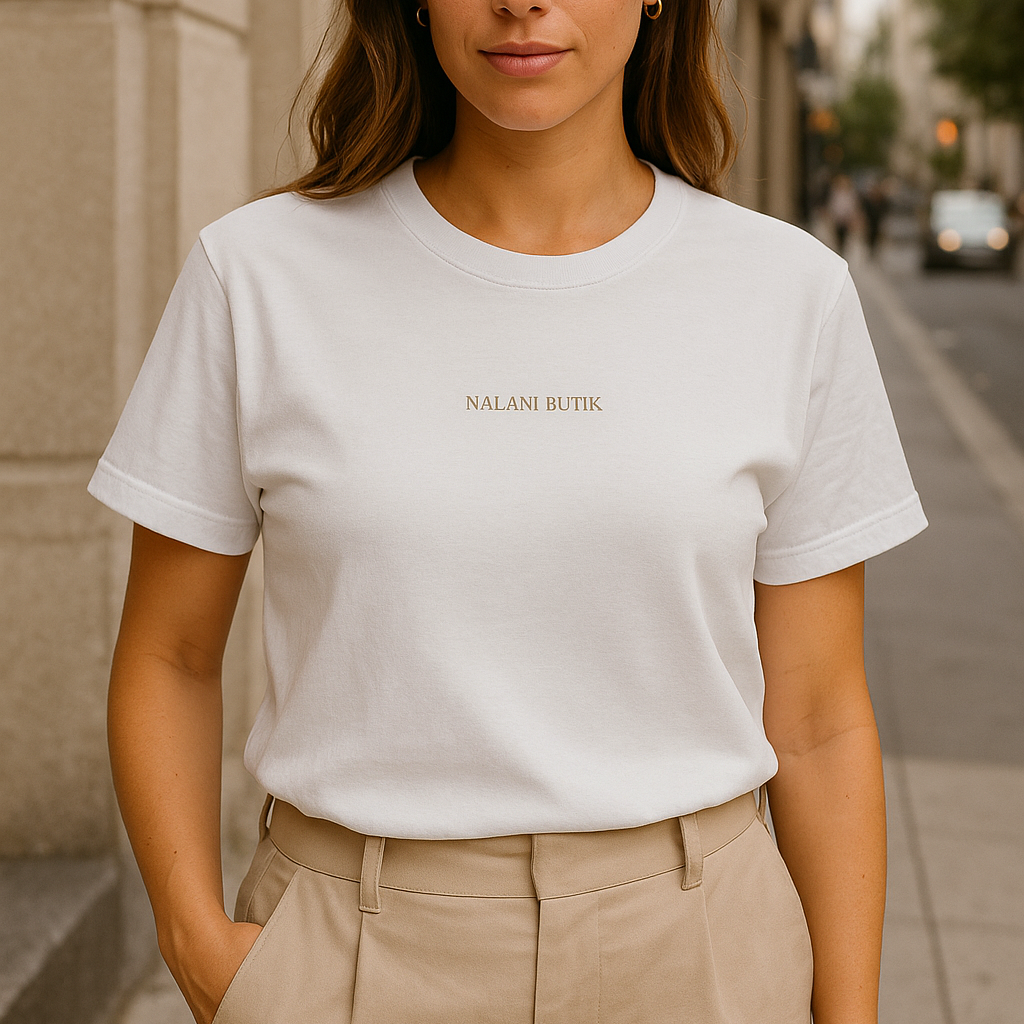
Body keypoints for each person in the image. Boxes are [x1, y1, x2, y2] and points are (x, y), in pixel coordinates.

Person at [88, 2, 928, 1023]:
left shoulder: (788, 293)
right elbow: (170, 653)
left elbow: (820, 718)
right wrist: (198, 945)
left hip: (701, 955)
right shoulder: (258, 274)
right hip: (349, 951)